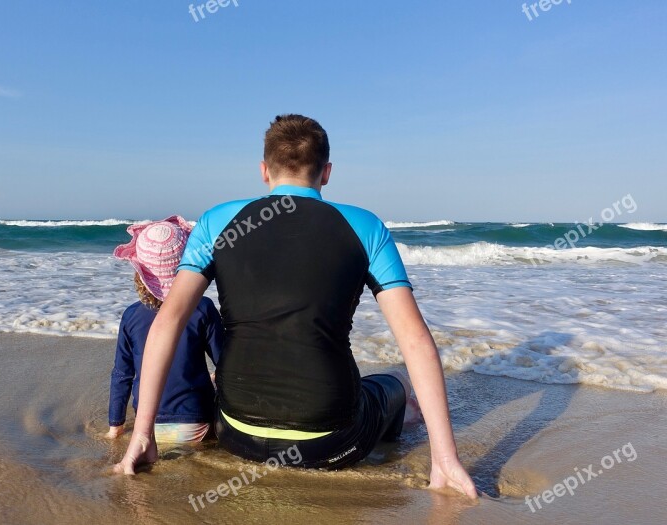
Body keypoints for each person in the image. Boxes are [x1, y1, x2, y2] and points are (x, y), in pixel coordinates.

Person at [113, 115, 477, 498]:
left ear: (264, 171)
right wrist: (446, 456)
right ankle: (411, 433)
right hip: (331, 442)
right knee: (394, 383)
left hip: (236, 434)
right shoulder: (366, 226)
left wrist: (143, 433)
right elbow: (415, 340)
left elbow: (168, 321)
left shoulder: (217, 221)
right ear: (327, 172)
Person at [106, 216, 223, 444]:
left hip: (146, 428)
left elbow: (122, 375)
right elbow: (225, 361)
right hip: (194, 423)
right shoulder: (202, 308)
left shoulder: (131, 316)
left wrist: (115, 426)